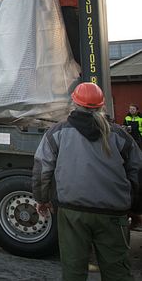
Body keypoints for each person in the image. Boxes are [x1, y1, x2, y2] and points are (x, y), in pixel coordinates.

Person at [32, 82, 142, 281]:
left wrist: (42, 198)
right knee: (117, 271)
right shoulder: (119, 135)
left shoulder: (57, 133)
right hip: (112, 214)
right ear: (101, 106)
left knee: (74, 270)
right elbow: (137, 172)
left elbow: (42, 169)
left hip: (72, 211)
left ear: (74, 102)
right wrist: (135, 208)